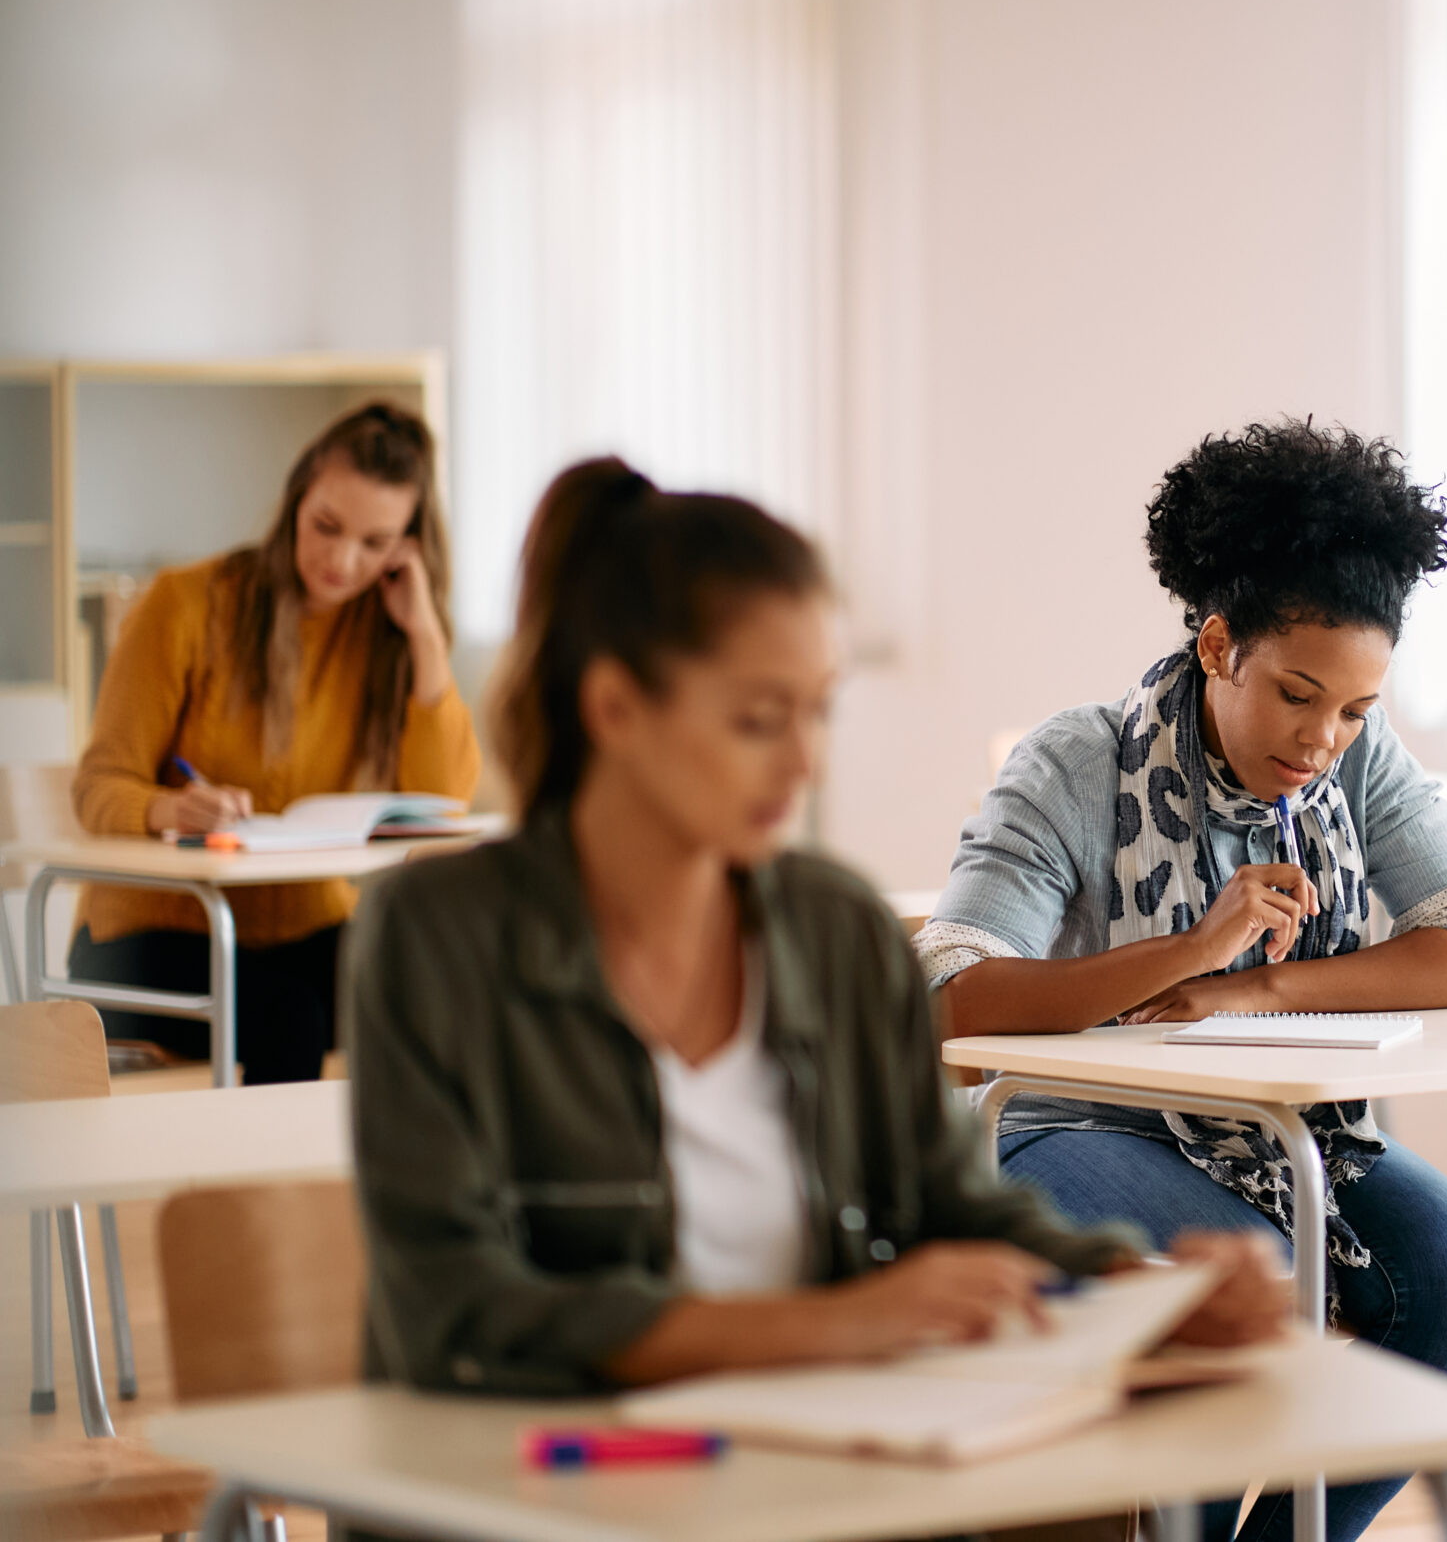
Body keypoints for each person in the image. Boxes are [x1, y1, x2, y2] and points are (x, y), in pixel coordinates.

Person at [349, 458, 1288, 1407]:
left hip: (817, 1463)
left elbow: (950, 1202)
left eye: (817, 711)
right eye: (760, 719)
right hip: (542, 1481)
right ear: (615, 709)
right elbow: (454, 1307)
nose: (805, 761)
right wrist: (836, 1324)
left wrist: (1144, 1291)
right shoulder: (436, 936)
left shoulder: (833, 927)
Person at [921, 420, 1447, 1542]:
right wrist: (1190, 951)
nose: (1322, 740)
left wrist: (1251, 992)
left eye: (1353, 708)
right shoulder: (1077, 762)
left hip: (1283, 1131)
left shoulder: (1361, 763)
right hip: (1066, 1126)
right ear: (1216, 647)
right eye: (1297, 694)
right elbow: (955, 993)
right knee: (1240, 1283)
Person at [67, 401, 478, 1083]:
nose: (343, 560)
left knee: (440, 989)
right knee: (293, 1016)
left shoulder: (384, 636)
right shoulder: (185, 605)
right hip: (144, 939)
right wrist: (170, 810)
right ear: (296, 499)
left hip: (298, 931)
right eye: (326, 526)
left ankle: (388, 1189)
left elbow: (444, 800)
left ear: (408, 546)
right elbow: (97, 786)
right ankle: (263, 1194)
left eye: (376, 544)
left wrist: (426, 636)